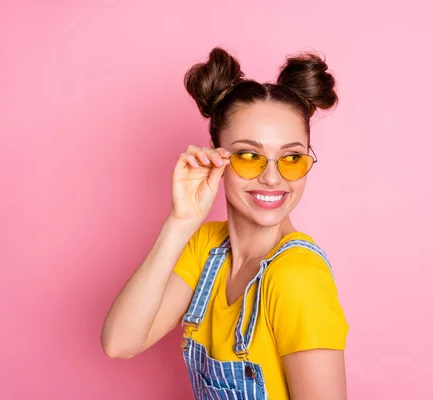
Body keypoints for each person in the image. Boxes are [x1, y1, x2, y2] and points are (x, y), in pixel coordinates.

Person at [101, 47, 349, 400]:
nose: (272, 178)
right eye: (250, 156)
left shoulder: (297, 278)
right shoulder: (207, 248)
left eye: (292, 158)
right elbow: (120, 343)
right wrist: (181, 220)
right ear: (217, 157)